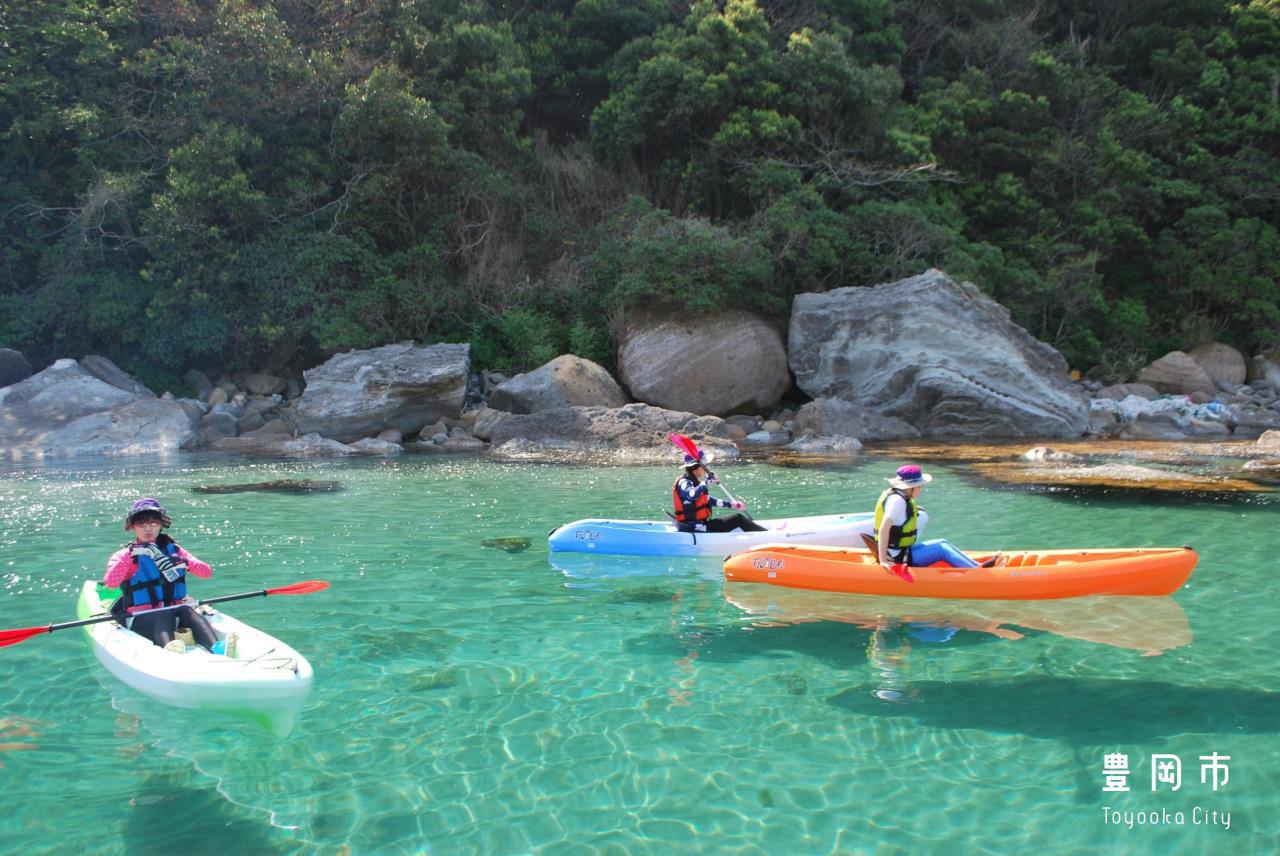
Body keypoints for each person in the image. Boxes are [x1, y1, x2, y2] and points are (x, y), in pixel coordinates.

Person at [104, 498, 221, 652]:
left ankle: (217, 648)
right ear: (133, 527)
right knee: (162, 613)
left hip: (175, 613)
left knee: (186, 610)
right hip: (141, 618)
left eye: (153, 523)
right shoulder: (124, 555)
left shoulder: (175, 550)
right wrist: (130, 555)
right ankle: (170, 650)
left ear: (160, 525)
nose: (148, 529)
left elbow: (206, 573)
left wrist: (183, 561)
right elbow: (111, 583)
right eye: (142, 524)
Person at [870, 465, 1000, 571]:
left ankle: (975, 566)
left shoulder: (898, 496)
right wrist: (884, 561)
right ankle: (978, 572)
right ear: (911, 488)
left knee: (942, 542)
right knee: (941, 549)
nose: (921, 490)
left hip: (899, 551)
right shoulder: (897, 501)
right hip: (896, 556)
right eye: (920, 487)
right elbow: (883, 529)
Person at [672, 451, 766, 533]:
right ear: (695, 468)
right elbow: (691, 495)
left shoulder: (695, 482)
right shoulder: (684, 482)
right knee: (738, 519)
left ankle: (760, 532)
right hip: (696, 528)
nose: (706, 469)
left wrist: (732, 504)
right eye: (704, 466)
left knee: (737, 518)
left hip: (702, 525)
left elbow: (708, 500)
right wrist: (707, 481)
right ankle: (765, 535)